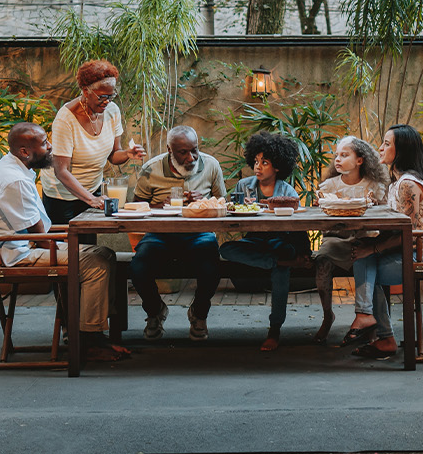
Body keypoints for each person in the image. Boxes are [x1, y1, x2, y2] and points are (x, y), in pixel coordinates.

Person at [0, 122, 128, 362]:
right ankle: (88, 340)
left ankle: (95, 334)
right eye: (45, 143)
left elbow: (38, 232)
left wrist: (68, 244)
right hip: (15, 256)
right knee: (96, 262)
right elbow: (40, 239)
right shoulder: (14, 179)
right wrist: (69, 244)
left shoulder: (14, 169)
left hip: (20, 245)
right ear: (25, 151)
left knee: (105, 254)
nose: (50, 147)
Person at [344, 124, 423, 360]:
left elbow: (407, 231)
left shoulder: (408, 184)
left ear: (403, 151)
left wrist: (374, 247)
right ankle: (371, 321)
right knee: (362, 256)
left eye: (387, 144)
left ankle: (377, 328)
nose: (380, 147)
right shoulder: (399, 182)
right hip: (420, 249)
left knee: (368, 264)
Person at [129, 126, 227, 341]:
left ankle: (199, 313)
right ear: (169, 150)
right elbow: (137, 207)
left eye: (194, 150)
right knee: (138, 266)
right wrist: (158, 205)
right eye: (183, 152)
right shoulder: (151, 168)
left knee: (211, 266)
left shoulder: (211, 165)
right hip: (160, 234)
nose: (190, 157)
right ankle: (155, 311)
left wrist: (203, 203)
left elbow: (223, 205)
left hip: (199, 233)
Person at [218, 132, 311, 351]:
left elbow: (297, 225)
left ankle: (274, 330)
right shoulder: (244, 186)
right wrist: (241, 208)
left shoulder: (287, 191)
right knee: (225, 249)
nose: (258, 167)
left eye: (265, 162)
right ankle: (276, 262)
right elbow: (228, 211)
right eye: (256, 161)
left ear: (278, 166)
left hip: (280, 242)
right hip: (255, 243)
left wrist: (304, 251)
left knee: (281, 272)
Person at [40, 59, 147, 241]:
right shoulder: (65, 120)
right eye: (102, 96)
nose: (107, 101)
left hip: (91, 190)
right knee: (67, 253)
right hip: (62, 196)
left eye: (111, 96)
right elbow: (61, 171)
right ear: (86, 91)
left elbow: (114, 155)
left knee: (88, 246)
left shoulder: (112, 111)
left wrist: (128, 155)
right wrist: (91, 199)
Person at [309, 136, 392, 344]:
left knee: (369, 261)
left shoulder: (374, 186)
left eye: (344, 155)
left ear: (360, 161)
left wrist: (375, 206)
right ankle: (328, 315)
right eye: (336, 155)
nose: (338, 159)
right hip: (336, 240)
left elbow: (385, 217)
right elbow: (320, 222)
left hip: (365, 240)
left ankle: (370, 320)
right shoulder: (328, 187)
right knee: (322, 260)